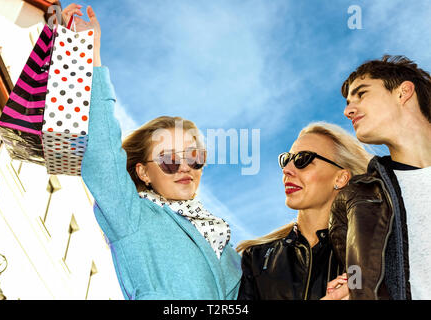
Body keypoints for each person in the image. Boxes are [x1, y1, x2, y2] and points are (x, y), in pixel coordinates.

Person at [64, 4, 241, 299]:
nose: (185, 168)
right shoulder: (131, 213)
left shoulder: (217, 234)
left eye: (194, 158)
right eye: (170, 160)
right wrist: (88, 55)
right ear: (143, 172)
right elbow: (102, 154)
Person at [329, 55, 431, 300]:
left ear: (403, 92)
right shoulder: (357, 199)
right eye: (347, 102)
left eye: (361, 94)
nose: (347, 111)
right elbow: (361, 283)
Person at [236, 122, 372, 300]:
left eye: (302, 160)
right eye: (286, 160)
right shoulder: (256, 258)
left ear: (341, 178)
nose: (287, 170)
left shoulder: (368, 255)